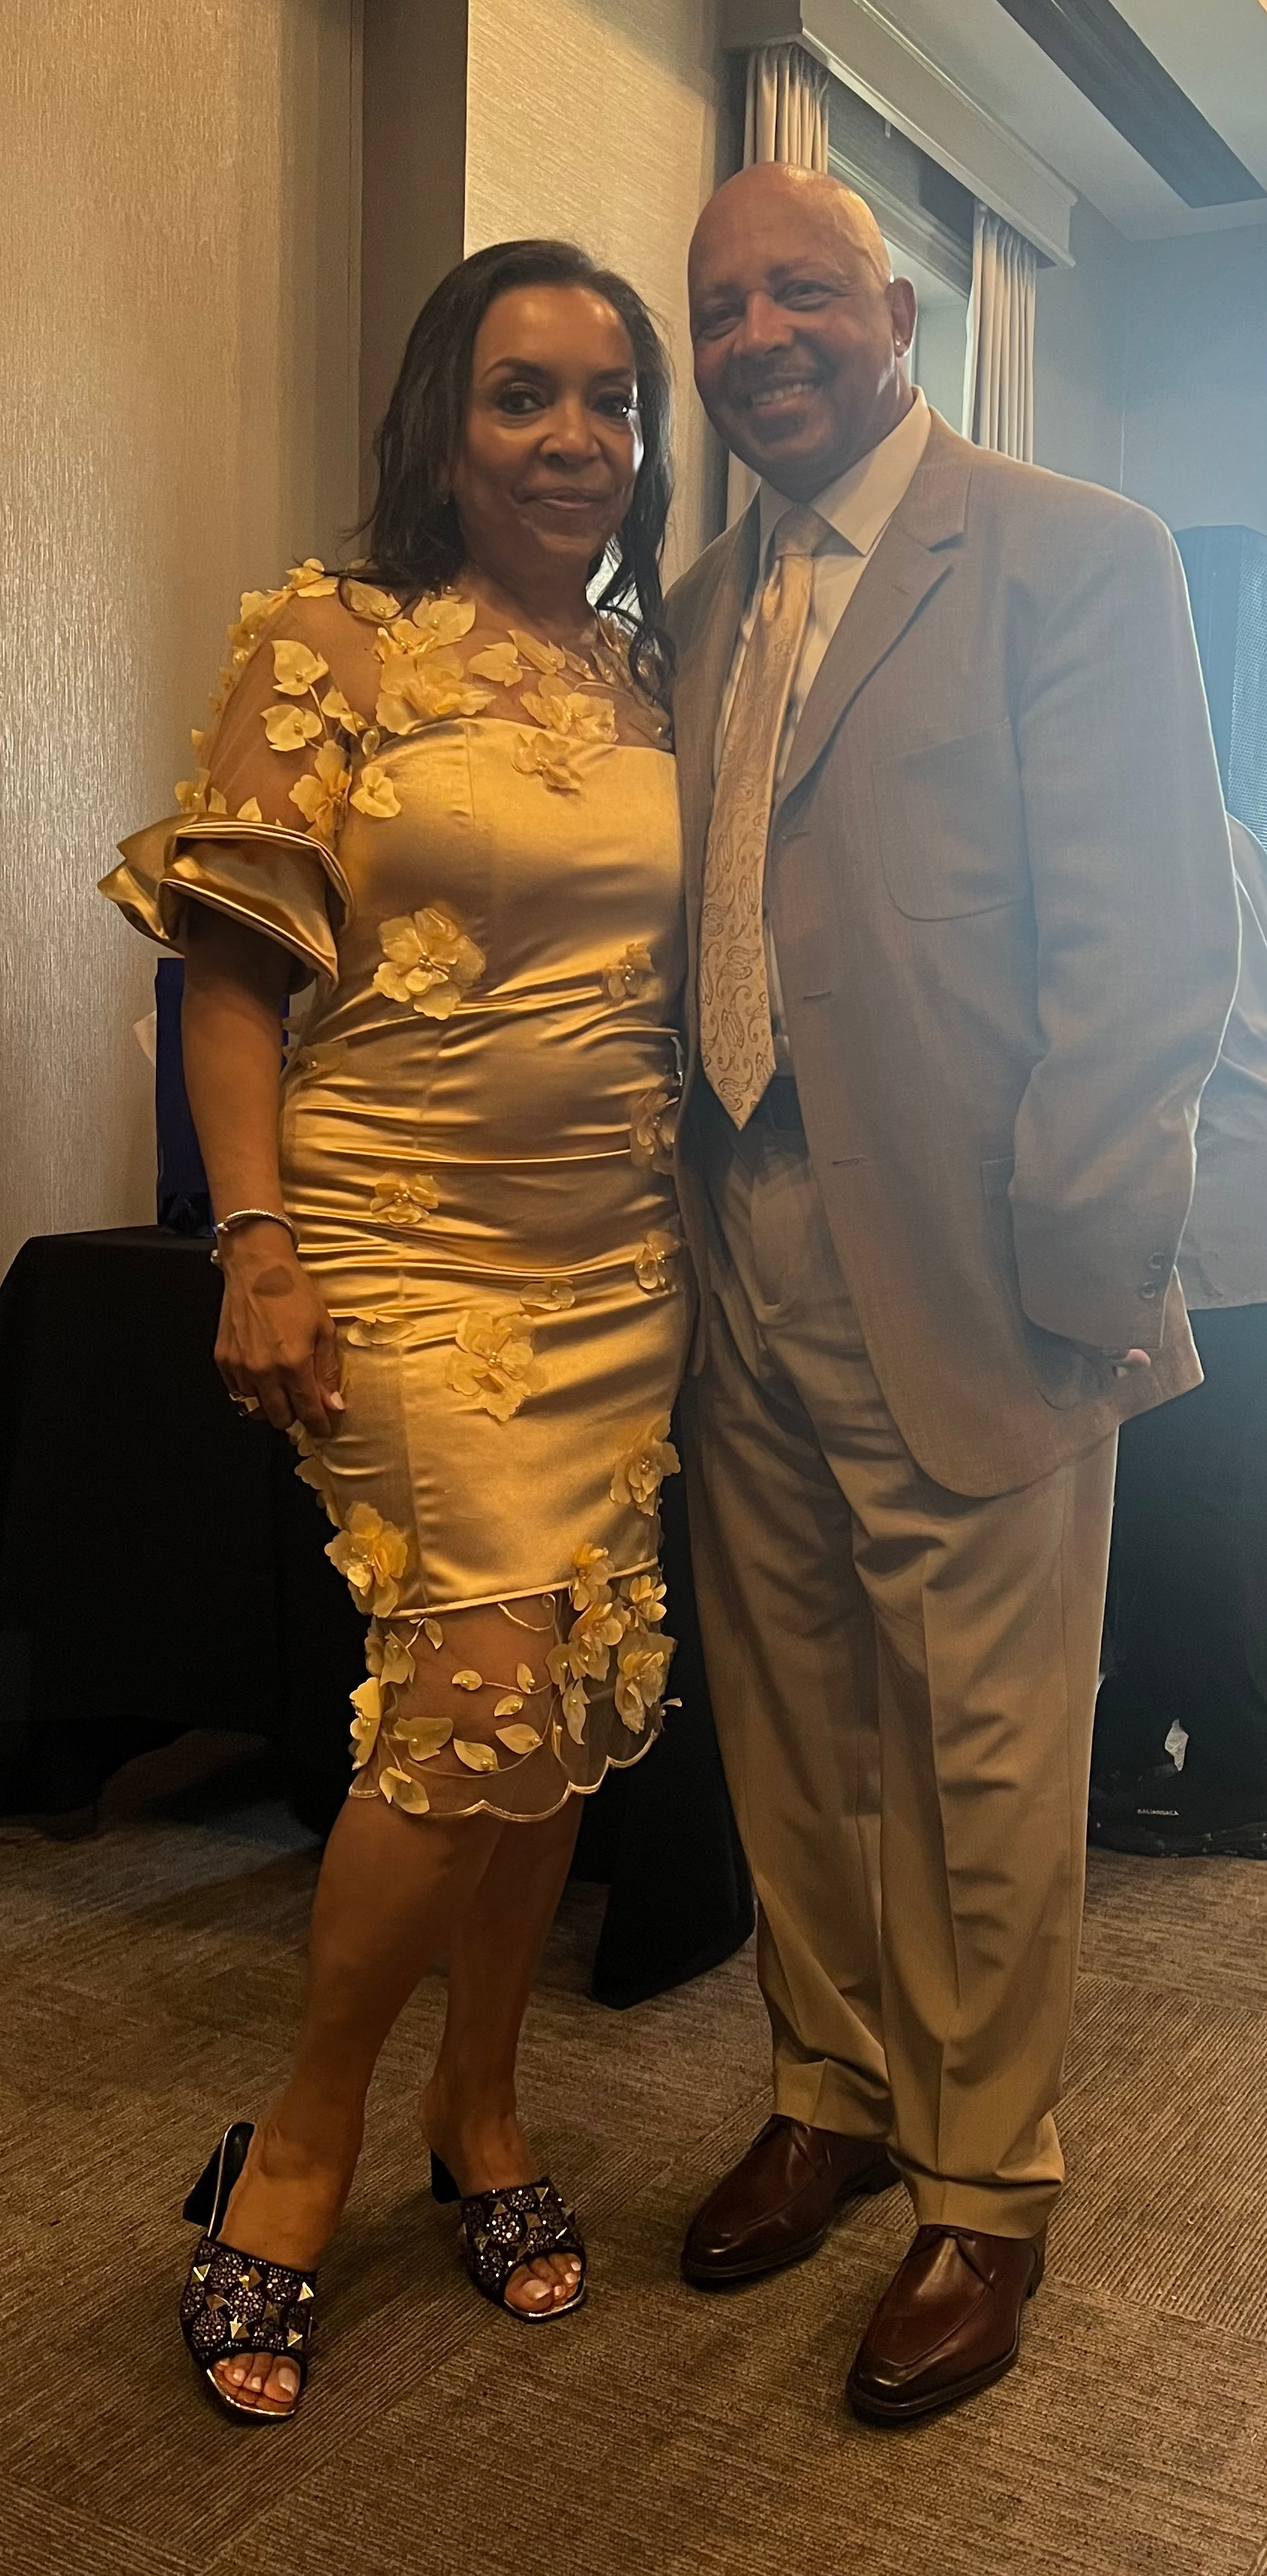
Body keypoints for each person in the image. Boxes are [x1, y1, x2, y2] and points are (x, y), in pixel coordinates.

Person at [665, 162, 1238, 2424]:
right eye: (720, 306)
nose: (761, 332)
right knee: (793, 1711)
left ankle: (984, 2186)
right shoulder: (699, 603)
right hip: (743, 1235)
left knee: (989, 1741)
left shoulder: (1068, 550)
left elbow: (1150, 945)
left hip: (986, 1251)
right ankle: (828, 2081)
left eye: (801, 288)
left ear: (897, 309)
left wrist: (1088, 1259)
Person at [101, 238, 687, 2419]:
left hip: (623, 1263)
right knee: (477, 1678)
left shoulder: (651, 677)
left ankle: (489, 2105)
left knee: (558, 1705)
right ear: (445, 420)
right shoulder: (332, 637)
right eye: (525, 396)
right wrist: (252, 1234)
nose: (575, 443)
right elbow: (230, 967)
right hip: (398, 1245)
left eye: (613, 404)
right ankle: (310, 2135)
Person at [1093, 814, 1267, 1855]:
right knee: (1204, 1506)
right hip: (1241, 1210)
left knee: (1187, 1516)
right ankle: (1133, 1729)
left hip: (1201, 1219)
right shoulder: (1228, 830)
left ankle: (1242, 1770)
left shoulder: (1132, 840)